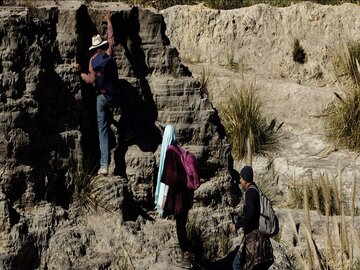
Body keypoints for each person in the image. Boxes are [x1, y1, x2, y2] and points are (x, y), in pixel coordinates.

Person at [78, 12, 117, 176]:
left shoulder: (92, 61)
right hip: (115, 95)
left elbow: (91, 80)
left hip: (101, 98)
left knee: (102, 129)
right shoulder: (108, 54)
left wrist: (80, 73)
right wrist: (109, 22)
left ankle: (103, 166)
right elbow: (111, 39)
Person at [155, 125, 193, 269]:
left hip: (180, 198)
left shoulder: (171, 151)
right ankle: (188, 253)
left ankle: (187, 255)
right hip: (187, 196)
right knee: (182, 224)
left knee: (180, 227)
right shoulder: (179, 148)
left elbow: (171, 178)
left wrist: (164, 200)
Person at [230, 166, 273, 270]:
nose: (240, 181)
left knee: (237, 265)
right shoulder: (256, 188)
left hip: (253, 236)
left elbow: (250, 213)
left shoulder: (250, 192)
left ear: (245, 179)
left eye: (241, 178)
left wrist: (237, 225)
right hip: (260, 235)